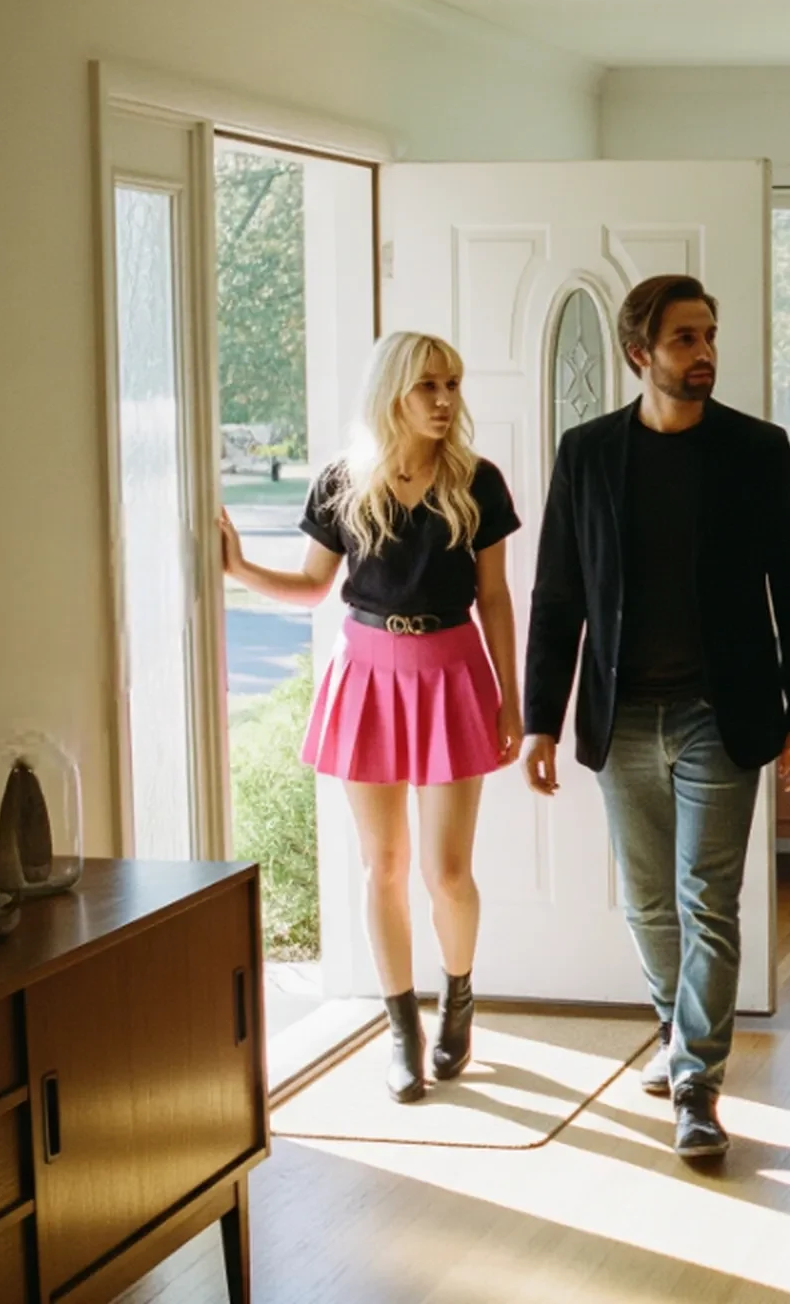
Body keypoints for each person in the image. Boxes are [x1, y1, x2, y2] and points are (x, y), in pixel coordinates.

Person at [521, 274, 790, 1163]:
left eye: (709, 335)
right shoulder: (587, 453)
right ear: (639, 354)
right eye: (685, 339)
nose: (704, 354)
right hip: (620, 715)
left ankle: (697, 1080)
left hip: (719, 712)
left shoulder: (756, 448)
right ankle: (673, 1020)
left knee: (708, 896)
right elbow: (557, 591)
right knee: (650, 900)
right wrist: (540, 717)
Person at [219, 331, 521, 1104]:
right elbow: (314, 588)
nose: (446, 399)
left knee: (445, 871)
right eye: (429, 386)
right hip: (368, 675)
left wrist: (511, 699)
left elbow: (493, 599)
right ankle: (401, 1029)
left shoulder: (478, 482)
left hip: (453, 673)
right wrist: (240, 567)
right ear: (393, 392)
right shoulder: (340, 483)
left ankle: (458, 998)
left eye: (452, 383)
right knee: (381, 866)